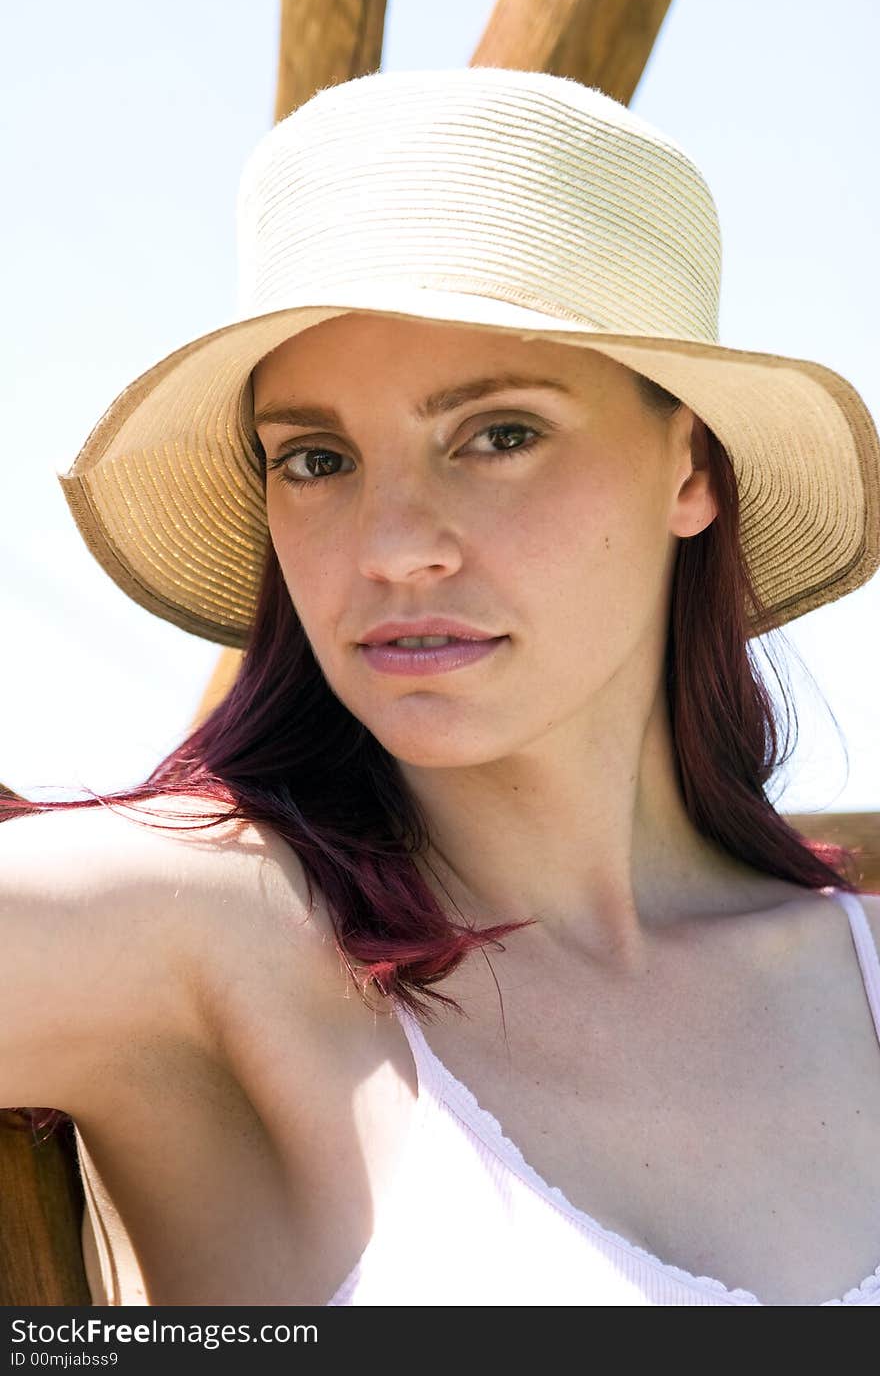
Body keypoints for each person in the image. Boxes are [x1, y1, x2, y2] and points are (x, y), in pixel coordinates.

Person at [2, 67, 879, 1308]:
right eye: (315, 459)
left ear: (690, 466)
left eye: (500, 435)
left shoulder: (858, 965)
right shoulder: (204, 928)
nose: (391, 545)